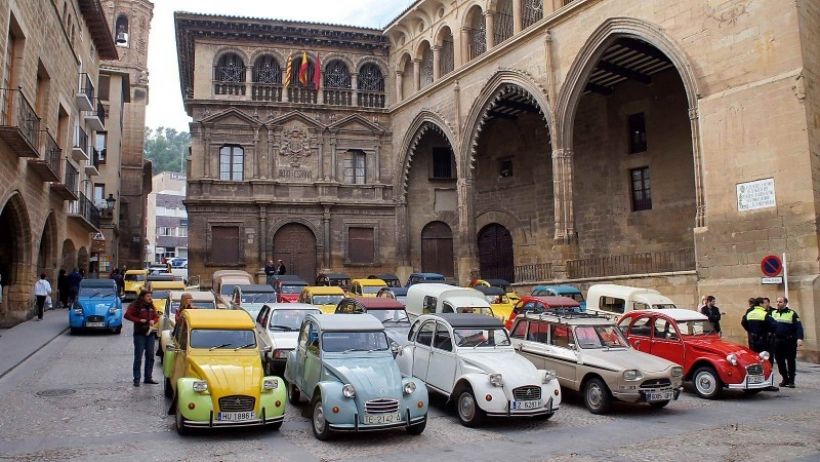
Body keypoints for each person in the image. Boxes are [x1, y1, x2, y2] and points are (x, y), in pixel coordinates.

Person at [124, 289, 160, 387]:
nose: (150, 298)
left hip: (150, 334)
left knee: (150, 356)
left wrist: (154, 320)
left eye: (151, 296)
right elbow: (127, 315)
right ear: (143, 296)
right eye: (148, 296)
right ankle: (137, 379)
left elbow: (157, 316)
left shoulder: (151, 306)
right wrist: (139, 320)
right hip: (139, 334)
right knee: (138, 357)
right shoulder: (136, 305)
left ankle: (148, 378)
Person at [772, 297, 804, 388]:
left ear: (785, 303)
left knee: (790, 361)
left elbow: (798, 327)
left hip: (789, 341)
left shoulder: (792, 313)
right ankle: (785, 378)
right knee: (779, 361)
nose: (778, 303)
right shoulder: (773, 313)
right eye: (777, 302)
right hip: (777, 341)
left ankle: (791, 380)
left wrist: (800, 338)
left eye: (780, 302)